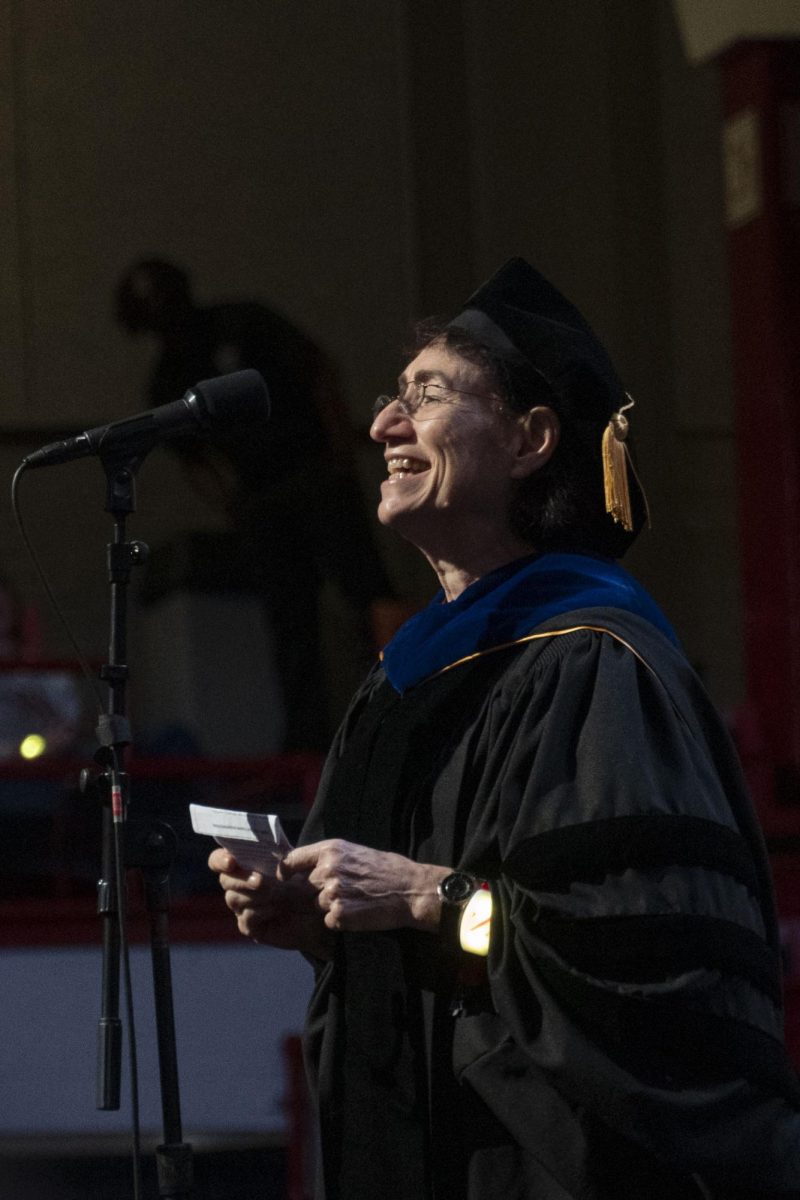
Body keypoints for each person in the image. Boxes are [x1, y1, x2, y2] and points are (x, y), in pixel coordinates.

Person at [210, 258, 800, 1198]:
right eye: (390, 399)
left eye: (427, 396)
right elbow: (432, 947)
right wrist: (320, 926)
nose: (382, 427)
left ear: (530, 440)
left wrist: (425, 897)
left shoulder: (596, 663)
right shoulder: (398, 686)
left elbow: (640, 967)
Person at [115, 259, 393, 750]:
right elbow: (195, 461)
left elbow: (316, 369)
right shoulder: (167, 379)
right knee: (290, 618)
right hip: (263, 499)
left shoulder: (241, 321)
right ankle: (306, 741)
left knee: (367, 590)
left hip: (316, 471)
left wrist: (340, 455)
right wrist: (235, 503)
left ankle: (409, 696)